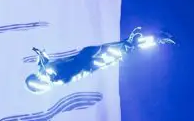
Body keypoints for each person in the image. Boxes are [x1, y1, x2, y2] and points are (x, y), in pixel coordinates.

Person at [26, 28, 175, 93]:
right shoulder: (56, 79)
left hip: (89, 54)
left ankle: (156, 38)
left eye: (36, 77)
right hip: (94, 61)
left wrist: (40, 53)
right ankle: (157, 39)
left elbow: (43, 61)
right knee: (127, 48)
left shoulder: (44, 69)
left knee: (126, 46)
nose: (39, 77)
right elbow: (63, 76)